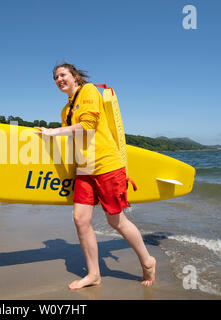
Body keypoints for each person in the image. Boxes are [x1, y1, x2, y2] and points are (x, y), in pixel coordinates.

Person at [34, 63, 156, 290]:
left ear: (75, 76)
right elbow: (73, 139)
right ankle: (94, 275)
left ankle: (148, 262)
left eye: (63, 75)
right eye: (56, 77)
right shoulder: (65, 110)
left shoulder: (89, 91)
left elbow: (89, 125)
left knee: (115, 221)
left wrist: (53, 132)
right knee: (80, 220)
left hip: (107, 165)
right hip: (84, 170)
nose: (59, 79)